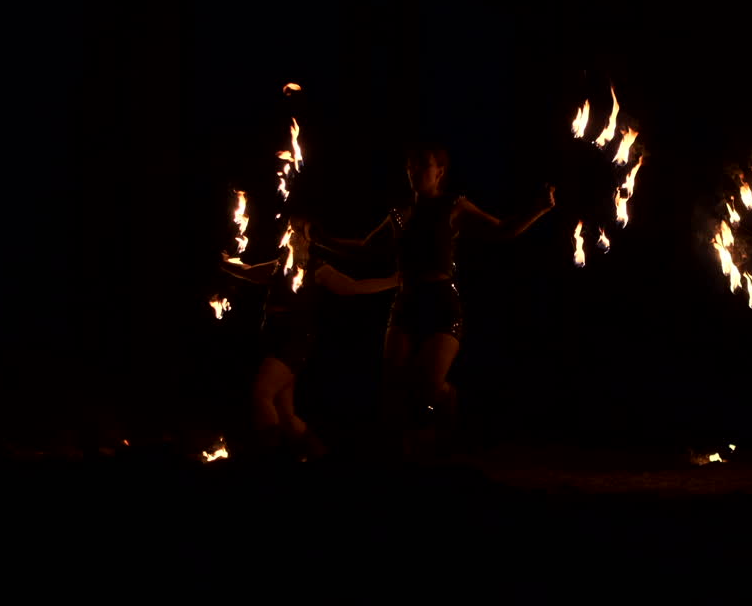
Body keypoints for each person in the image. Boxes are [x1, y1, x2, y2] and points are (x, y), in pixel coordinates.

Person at [319, 145, 555, 461]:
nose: (415, 172)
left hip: (442, 305)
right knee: (394, 389)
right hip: (406, 304)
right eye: (411, 167)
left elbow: (502, 230)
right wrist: (319, 238)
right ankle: (405, 458)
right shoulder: (399, 214)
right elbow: (364, 248)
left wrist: (539, 208)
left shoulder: (453, 207)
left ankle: (448, 403)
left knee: (426, 388)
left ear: (439, 172)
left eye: (423, 166)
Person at [221, 212, 399, 461]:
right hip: (276, 338)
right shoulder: (279, 265)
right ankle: (319, 456)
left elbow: (353, 287)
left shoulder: (316, 268)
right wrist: (225, 262)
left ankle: (267, 462)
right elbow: (249, 271)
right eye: (289, 230)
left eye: (297, 231)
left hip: (293, 340)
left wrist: (393, 281)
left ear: (307, 239)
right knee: (286, 412)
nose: (291, 234)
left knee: (261, 394)